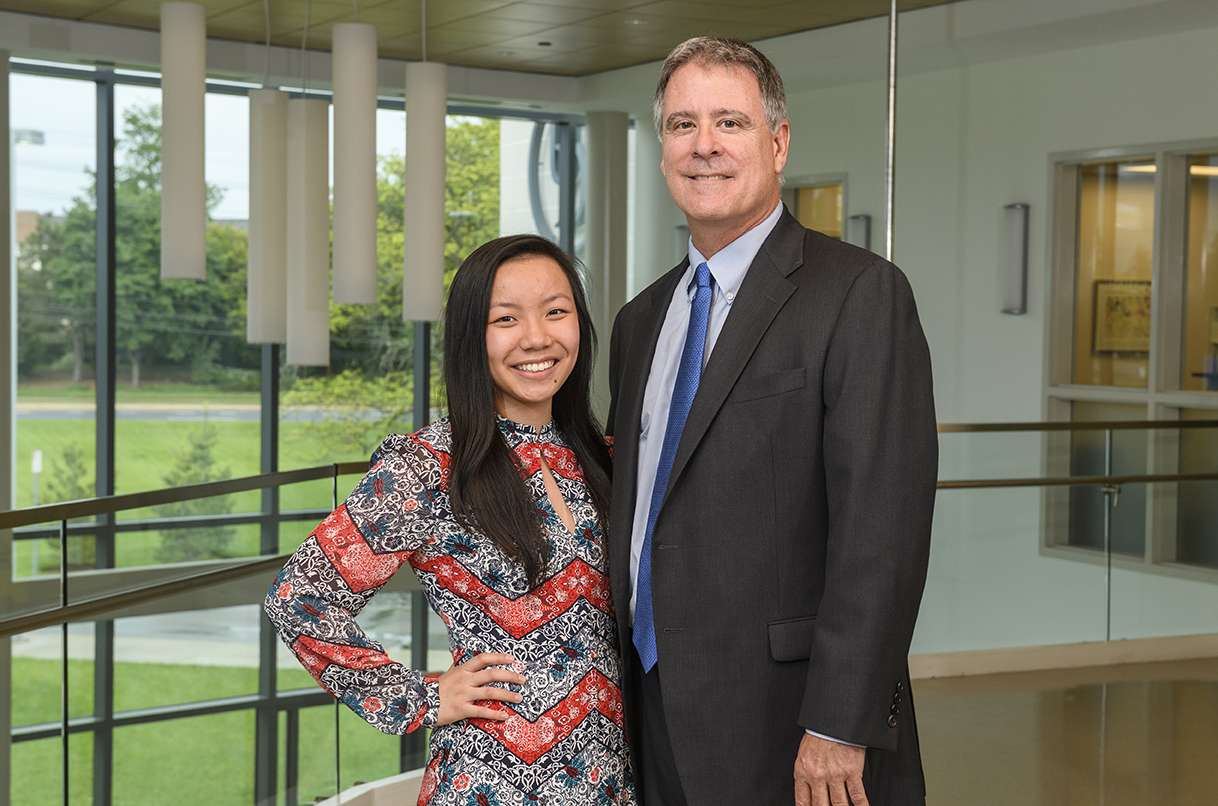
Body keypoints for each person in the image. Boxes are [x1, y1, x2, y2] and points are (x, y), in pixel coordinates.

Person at [605, 37, 938, 806]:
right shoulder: (640, 321)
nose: (704, 146)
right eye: (682, 125)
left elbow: (882, 530)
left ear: (778, 141)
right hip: (647, 708)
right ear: (662, 152)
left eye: (730, 122)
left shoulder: (858, 294)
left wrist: (840, 723)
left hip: (792, 724)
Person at [266, 235, 635, 805]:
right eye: (505, 319)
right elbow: (300, 598)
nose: (537, 337)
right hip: (490, 782)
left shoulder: (607, 457)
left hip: (612, 777)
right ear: (471, 338)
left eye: (556, 312)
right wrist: (422, 696)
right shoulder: (429, 467)